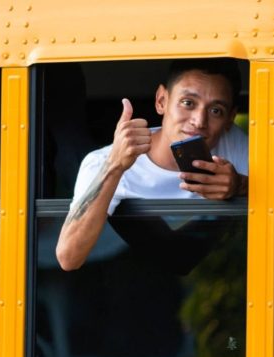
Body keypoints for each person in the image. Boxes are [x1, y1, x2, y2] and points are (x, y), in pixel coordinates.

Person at [56, 58, 249, 271]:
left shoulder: (233, 143)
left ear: (230, 118)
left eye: (216, 111)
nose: (199, 121)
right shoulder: (102, 161)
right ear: (161, 101)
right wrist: (115, 166)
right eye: (188, 103)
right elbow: (68, 257)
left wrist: (240, 186)